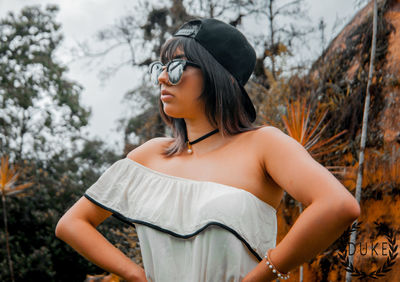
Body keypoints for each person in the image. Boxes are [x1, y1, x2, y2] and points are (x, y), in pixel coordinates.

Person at [55, 18, 360, 282]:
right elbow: (72, 224)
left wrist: (262, 274)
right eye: (161, 67)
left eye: (175, 67)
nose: (162, 77)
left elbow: (337, 205)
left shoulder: (264, 144)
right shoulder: (149, 155)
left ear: (220, 77)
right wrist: (135, 274)